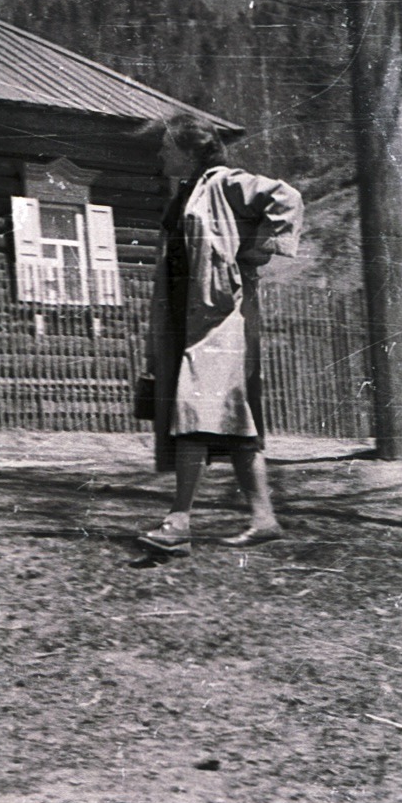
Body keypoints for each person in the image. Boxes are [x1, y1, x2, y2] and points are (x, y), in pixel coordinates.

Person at [139, 114, 303, 557]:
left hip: (220, 321)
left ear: (190, 151)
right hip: (184, 322)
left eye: (166, 147)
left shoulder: (224, 183)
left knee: (194, 413)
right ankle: (264, 518)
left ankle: (178, 521)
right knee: (234, 421)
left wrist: (254, 252)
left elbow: (286, 198)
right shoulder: (180, 198)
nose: (159, 155)